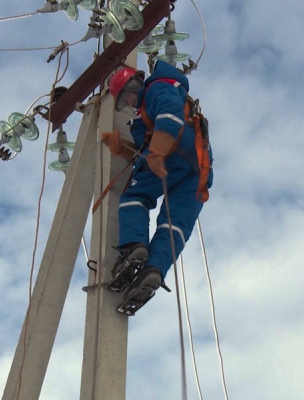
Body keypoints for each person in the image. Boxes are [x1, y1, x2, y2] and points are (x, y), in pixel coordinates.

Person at [101, 60, 213, 313]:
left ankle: (134, 246)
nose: (129, 104)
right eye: (124, 104)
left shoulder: (156, 88)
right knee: (175, 225)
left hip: (176, 150)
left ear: (134, 85)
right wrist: (122, 149)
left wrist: (159, 150)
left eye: (127, 98)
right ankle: (153, 270)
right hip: (199, 167)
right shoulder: (148, 114)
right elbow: (146, 153)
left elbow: (170, 117)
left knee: (135, 198)